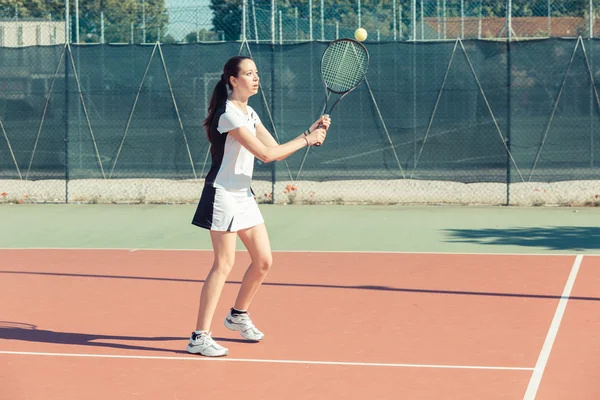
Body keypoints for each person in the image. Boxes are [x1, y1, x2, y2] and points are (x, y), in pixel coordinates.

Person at [186, 55, 330, 357]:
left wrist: (309, 132)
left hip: (244, 195)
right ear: (233, 81)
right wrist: (307, 140)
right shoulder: (228, 115)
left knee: (263, 261)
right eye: (248, 74)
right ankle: (199, 337)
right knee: (223, 264)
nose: (255, 78)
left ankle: (238, 315)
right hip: (222, 194)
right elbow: (266, 155)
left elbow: (275, 147)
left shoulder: (249, 112)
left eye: (256, 73)